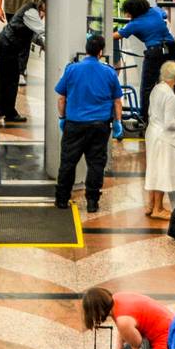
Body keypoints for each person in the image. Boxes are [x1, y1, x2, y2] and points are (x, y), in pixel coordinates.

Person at [53, 34, 123, 215]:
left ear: (86, 49)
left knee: (68, 162)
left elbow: (61, 98)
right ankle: (92, 201)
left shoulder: (72, 70)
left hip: (74, 124)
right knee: (96, 163)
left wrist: (62, 117)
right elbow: (117, 101)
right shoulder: (109, 72)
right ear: (101, 52)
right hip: (100, 126)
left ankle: (61, 199)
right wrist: (117, 122)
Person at [81, 286, 174, 349]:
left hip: (166, 337)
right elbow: (122, 332)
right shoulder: (116, 298)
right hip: (165, 324)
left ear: (98, 310)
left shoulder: (123, 321)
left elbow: (138, 348)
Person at [144, 61, 175, 221]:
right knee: (162, 171)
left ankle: (150, 204)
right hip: (164, 138)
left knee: (153, 168)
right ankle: (158, 208)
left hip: (152, 133)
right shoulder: (170, 96)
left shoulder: (157, 88)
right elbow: (169, 123)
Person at [118, 0, 175, 122]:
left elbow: (117, 35)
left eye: (127, 12)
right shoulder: (155, 11)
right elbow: (164, 15)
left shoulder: (134, 24)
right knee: (170, 84)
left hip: (154, 52)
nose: (127, 15)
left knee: (147, 87)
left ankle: (145, 118)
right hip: (171, 48)